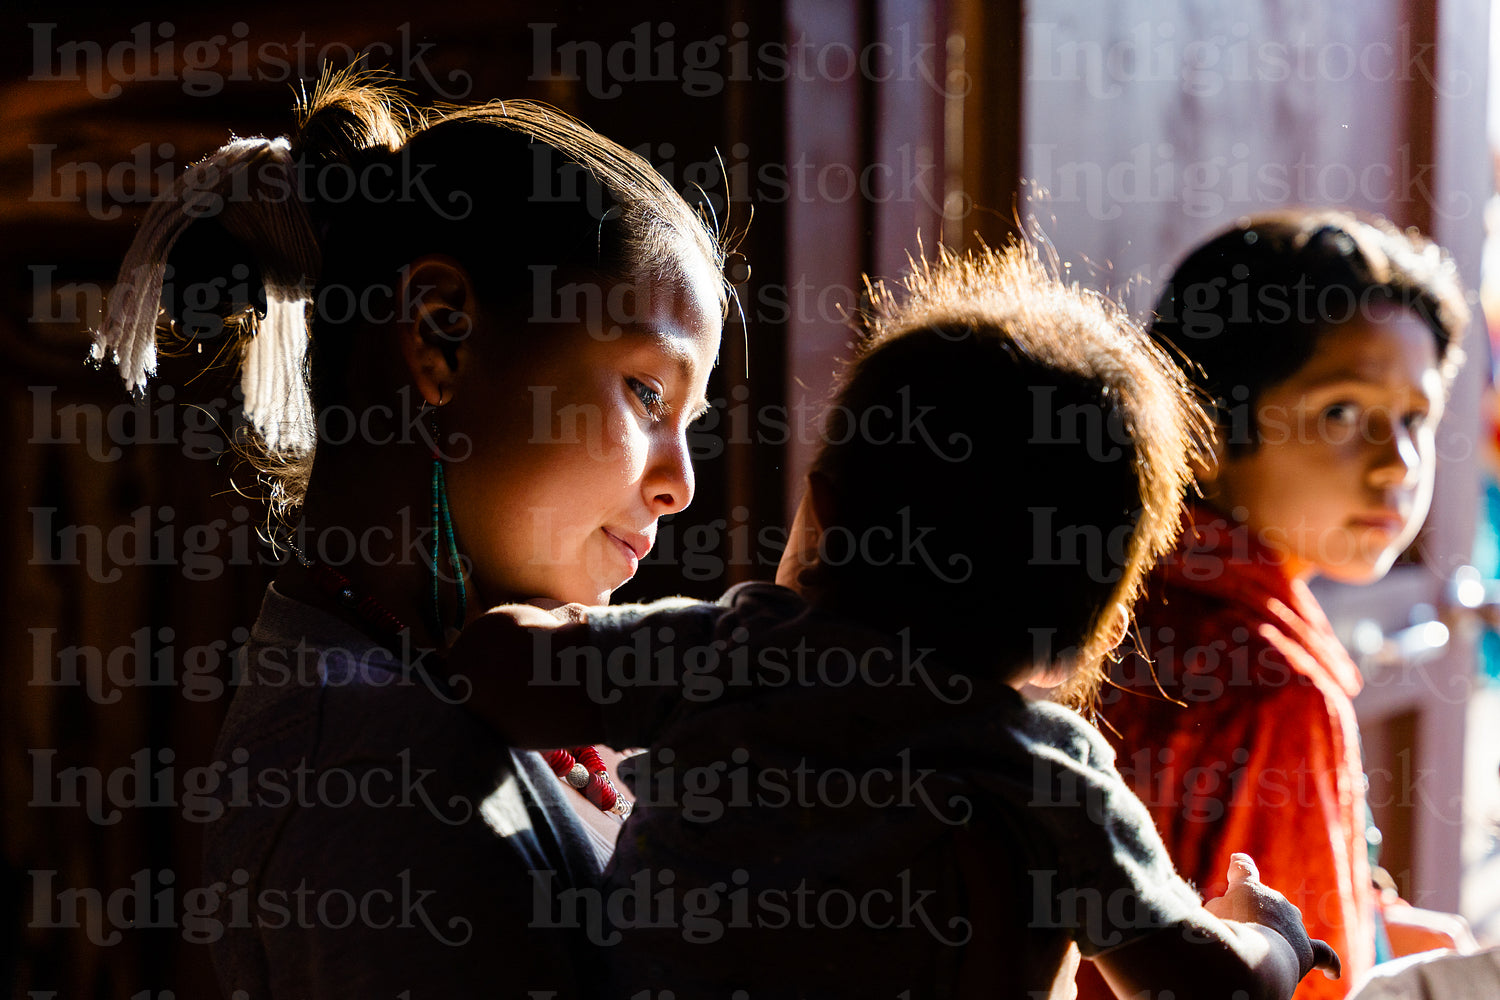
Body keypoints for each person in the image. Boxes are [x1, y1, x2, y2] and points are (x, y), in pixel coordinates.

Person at [449, 241, 1342, 998]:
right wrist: (1270, 936)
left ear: (826, 516)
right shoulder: (1050, 780)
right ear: (1080, 636)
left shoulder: (720, 652)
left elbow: (500, 667)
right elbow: (1204, 982)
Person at [90, 70, 726, 999]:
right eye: (646, 392)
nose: (680, 485)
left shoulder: (472, 695)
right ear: (442, 337)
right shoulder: (372, 790)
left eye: (689, 422)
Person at [1072, 210, 1473, 1000]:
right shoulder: (1272, 688)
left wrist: (1370, 917)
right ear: (1209, 426)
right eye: (1342, 413)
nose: (1397, 465)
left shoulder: (1114, 592)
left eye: (1415, 420)